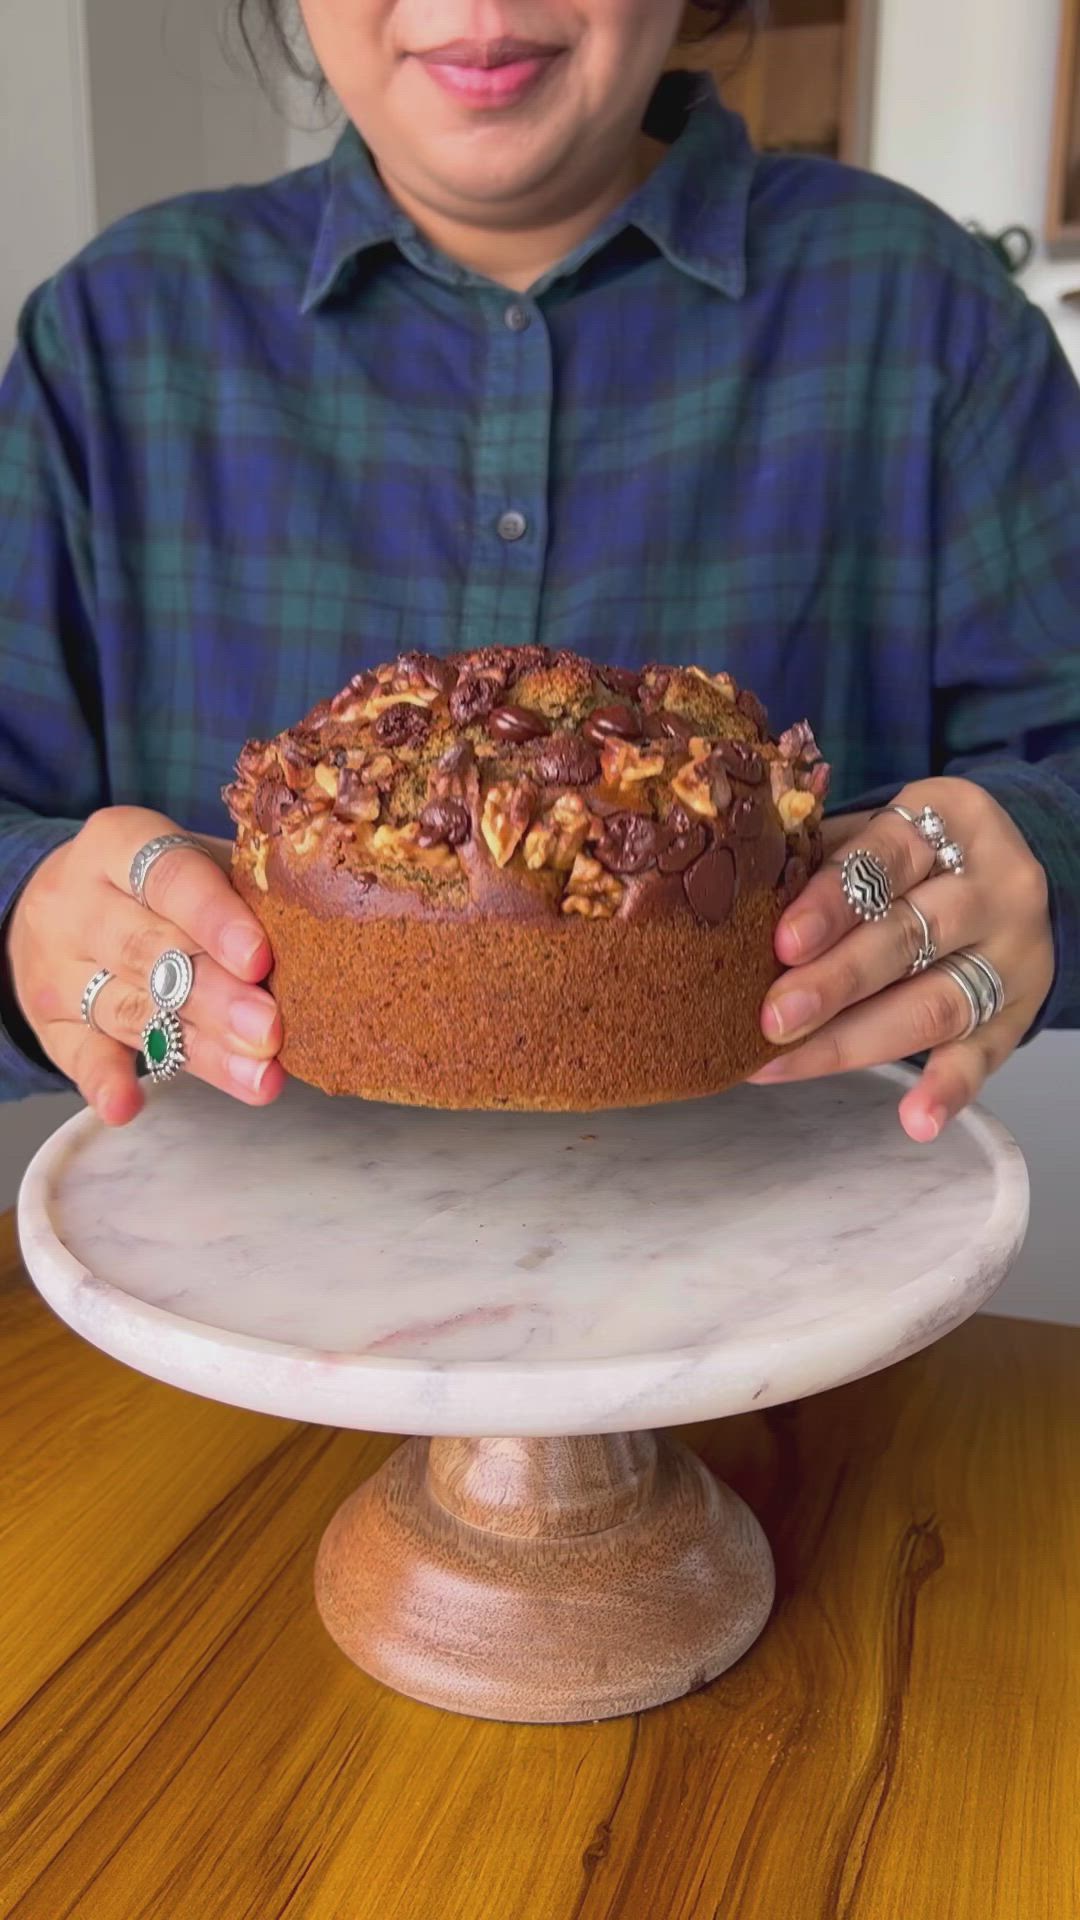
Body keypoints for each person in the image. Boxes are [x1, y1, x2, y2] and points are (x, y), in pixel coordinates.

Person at [1, 0, 1077, 1143]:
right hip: (203, 1289)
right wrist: (32, 910)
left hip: (818, 1280)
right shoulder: (113, 343)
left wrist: (1037, 854)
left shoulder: (926, 317)